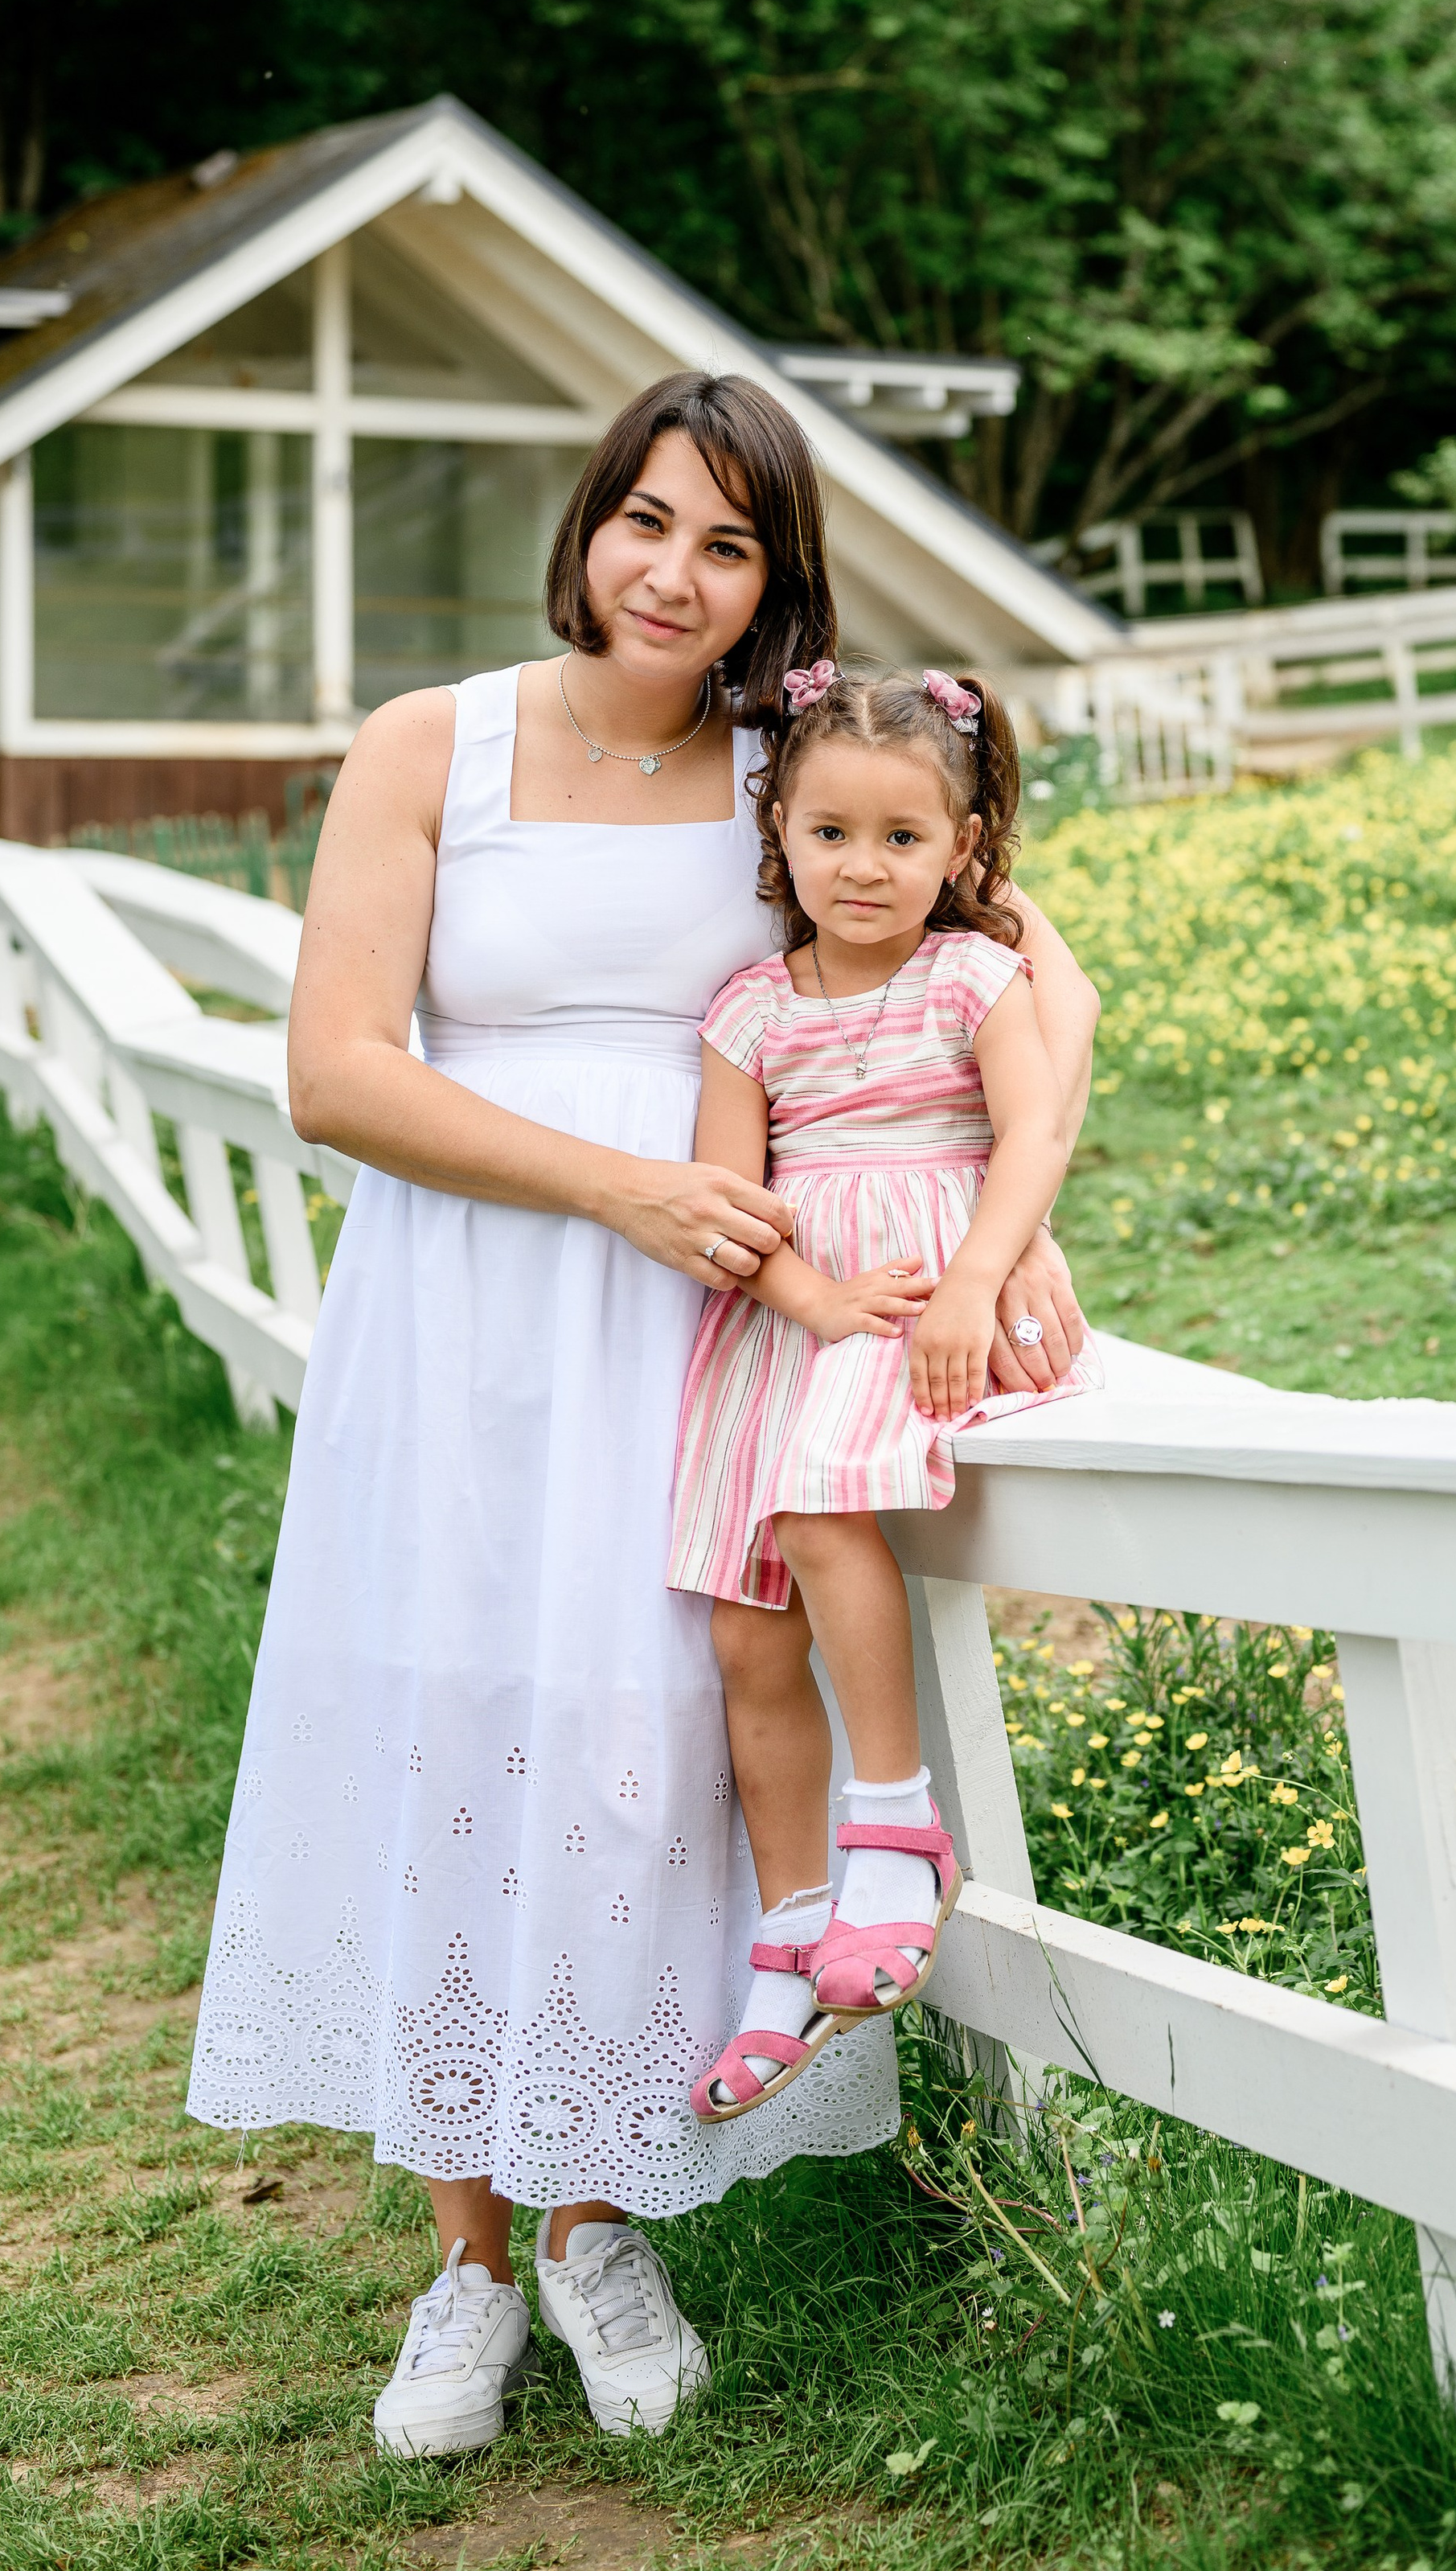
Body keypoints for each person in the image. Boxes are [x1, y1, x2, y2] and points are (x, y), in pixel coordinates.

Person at [183, 375, 1099, 2458]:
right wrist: (627, 1185)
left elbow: (1036, 986)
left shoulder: (806, 762)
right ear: (589, 525)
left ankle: (594, 2228)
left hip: (711, 1345)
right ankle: (465, 2268)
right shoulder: (438, 747)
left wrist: (1000, 1234)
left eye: (731, 544)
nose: (675, 577)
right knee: (450, 1722)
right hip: (467, 1312)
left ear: (779, 580)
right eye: (647, 524)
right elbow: (335, 1069)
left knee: (628, 1738)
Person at [668, 665, 1097, 2121]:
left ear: (963, 850)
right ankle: (793, 1930)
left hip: (931, 1296)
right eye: (832, 834)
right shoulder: (747, 1013)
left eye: (904, 841)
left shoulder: (972, 978)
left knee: (826, 1511)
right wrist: (804, 1298)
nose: (865, 868)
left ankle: (897, 1830)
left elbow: (1034, 1133)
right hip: (796, 1324)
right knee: (742, 1629)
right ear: (779, 832)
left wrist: (974, 1280)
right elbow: (734, 1203)